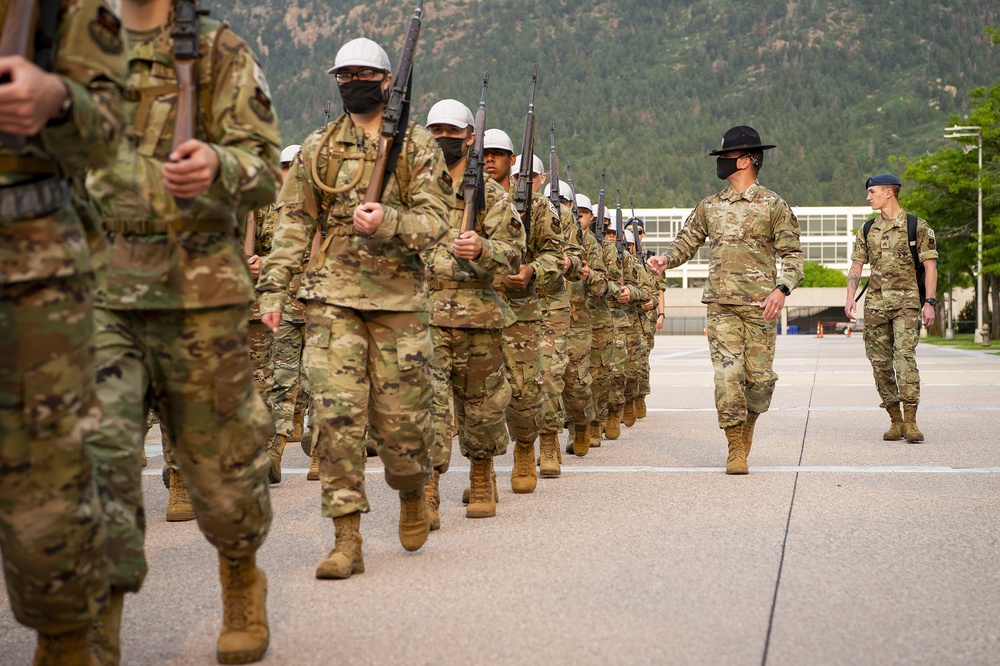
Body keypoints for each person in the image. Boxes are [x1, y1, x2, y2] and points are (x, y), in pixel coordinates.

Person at [82, 0, 281, 661]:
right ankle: (91, 631)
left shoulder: (220, 51)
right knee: (97, 466)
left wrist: (220, 167)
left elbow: (264, 170)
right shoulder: (78, 49)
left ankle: (240, 578)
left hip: (199, 295)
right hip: (99, 291)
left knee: (223, 478)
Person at [256, 38, 451, 579]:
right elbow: (294, 221)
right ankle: (347, 538)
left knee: (403, 427)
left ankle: (412, 490)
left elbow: (437, 221)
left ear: (388, 81)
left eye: (364, 74)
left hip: (398, 301)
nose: (353, 82)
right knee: (335, 419)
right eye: (344, 75)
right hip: (332, 298)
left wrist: (387, 220)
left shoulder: (416, 146)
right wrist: (273, 289)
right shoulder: (319, 147)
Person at [0, 1, 125, 662]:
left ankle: (67, 642)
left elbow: (109, 127)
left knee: (44, 495)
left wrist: (56, 98)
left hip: (29, 275)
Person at [648, 126, 803, 475]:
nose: (720, 161)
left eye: (727, 156)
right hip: (721, 306)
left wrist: (782, 289)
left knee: (760, 381)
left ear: (747, 160)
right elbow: (685, 243)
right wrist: (665, 260)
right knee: (728, 378)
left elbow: (793, 256)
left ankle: (747, 426)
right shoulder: (710, 206)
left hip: (761, 307)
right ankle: (735, 446)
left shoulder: (773, 205)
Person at [422, 114, 524, 523]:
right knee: (427, 408)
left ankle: (481, 474)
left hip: (478, 317)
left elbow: (515, 253)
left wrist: (482, 248)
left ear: (469, 138)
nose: (443, 137)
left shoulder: (492, 197)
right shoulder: (415, 192)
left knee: (481, 409)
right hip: (425, 316)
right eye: (436, 130)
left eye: (452, 131)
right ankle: (427, 487)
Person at [487, 149, 561, 494]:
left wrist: (533, 270)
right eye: (483, 153)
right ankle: (481, 467)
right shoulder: (463, 197)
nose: (488, 160)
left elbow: (557, 255)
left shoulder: (537, 207)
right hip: (473, 308)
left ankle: (524, 449)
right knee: (478, 396)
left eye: (496, 154)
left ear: (511, 160)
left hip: (521, 311)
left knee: (523, 389)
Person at [845, 173, 937, 442]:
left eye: (872, 192)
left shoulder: (916, 227)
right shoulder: (867, 229)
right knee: (880, 364)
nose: (867, 197)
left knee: (904, 358)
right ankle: (895, 421)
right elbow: (856, 266)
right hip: (875, 305)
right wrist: (850, 296)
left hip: (906, 304)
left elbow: (930, 267)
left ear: (889, 193)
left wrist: (929, 302)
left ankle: (911, 421)